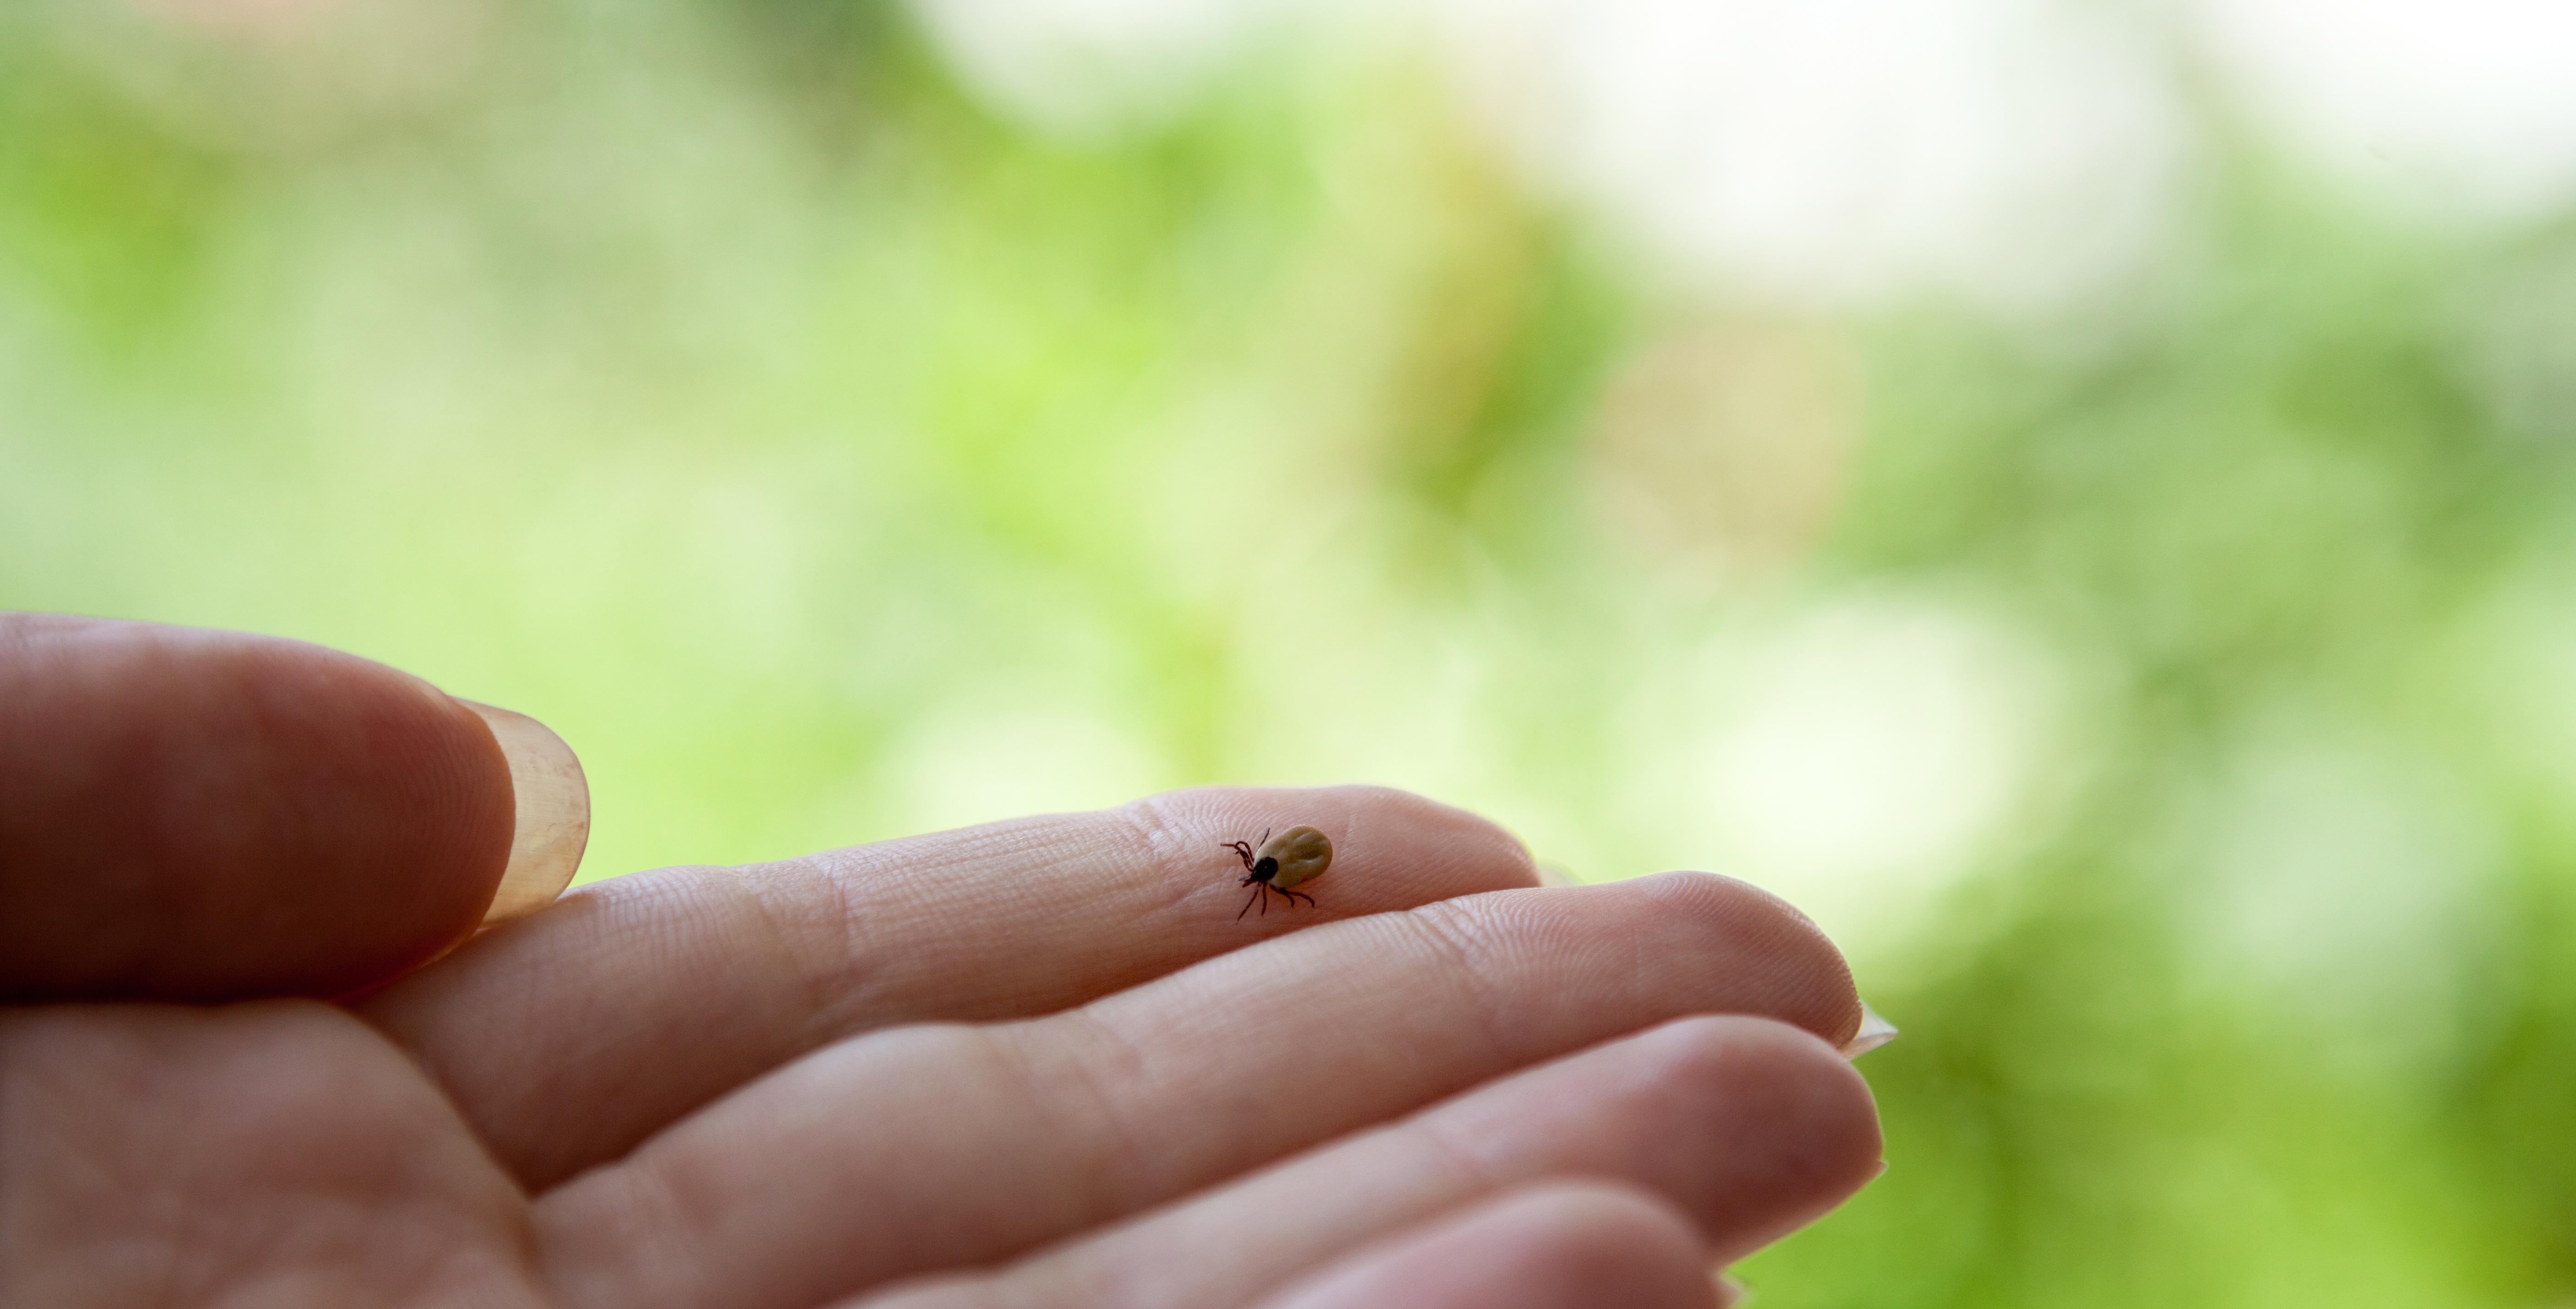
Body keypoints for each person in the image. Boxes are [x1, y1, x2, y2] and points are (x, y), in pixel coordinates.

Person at [0, 614, 1885, 1309]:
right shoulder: (1272, 870)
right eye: (1269, 873)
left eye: (1267, 877)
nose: (1269, 874)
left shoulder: (1269, 869)